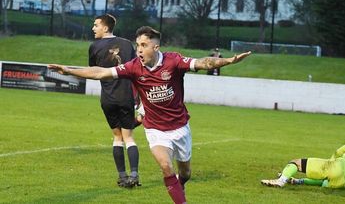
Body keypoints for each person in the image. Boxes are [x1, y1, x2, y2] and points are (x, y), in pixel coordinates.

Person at [49, 26, 251, 204]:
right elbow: (100, 72)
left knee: (185, 173)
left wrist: (228, 61)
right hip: (155, 129)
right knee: (165, 165)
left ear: (155, 47)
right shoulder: (134, 67)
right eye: (138, 45)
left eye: (144, 45)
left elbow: (203, 62)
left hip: (180, 127)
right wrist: (68, 70)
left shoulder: (174, 61)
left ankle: (180, 186)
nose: (139, 49)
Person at [89, 14, 140, 188]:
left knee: (117, 137)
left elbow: (94, 71)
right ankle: (134, 174)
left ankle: (122, 176)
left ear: (105, 27)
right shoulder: (127, 44)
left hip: (108, 99)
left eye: (96, 25)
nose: (93, 28)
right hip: (125, 97)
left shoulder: (94, 47)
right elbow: (136, 69)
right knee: (129, 137)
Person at [261, 136, 345, 192]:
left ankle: (281, 181)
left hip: (335, 167)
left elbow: (339, 151)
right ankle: (298, 182)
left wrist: (331, 161)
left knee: (296, 163)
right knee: (326, 182)